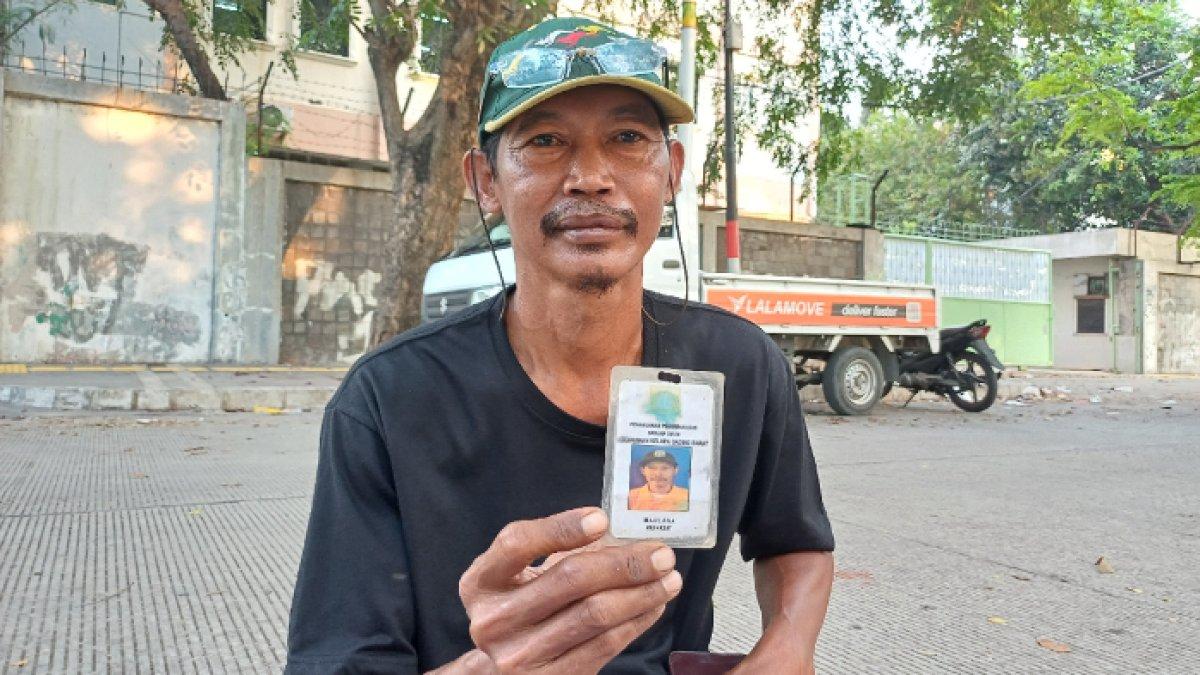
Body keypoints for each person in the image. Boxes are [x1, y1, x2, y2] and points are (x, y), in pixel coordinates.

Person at [285, 16, 835, 675]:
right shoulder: (385, 401)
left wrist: (788, 644)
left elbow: (794, 542)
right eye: (545, 141)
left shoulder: (742, 365)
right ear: (485, 180)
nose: (590, 176)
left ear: (672, 171)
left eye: (628, 138)